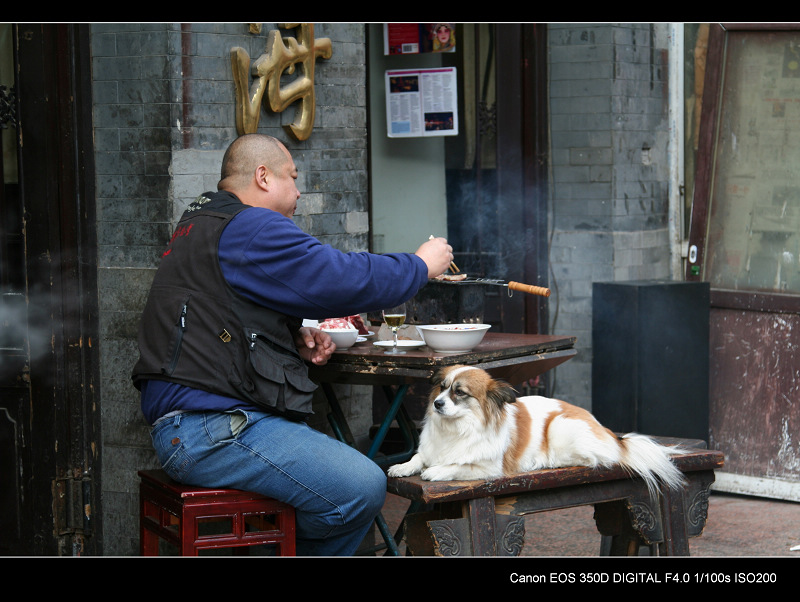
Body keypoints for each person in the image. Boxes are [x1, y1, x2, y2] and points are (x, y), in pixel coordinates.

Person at [131, 133, 453, 555]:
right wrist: (419, 265)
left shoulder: (202, 223)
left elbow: (215, 313)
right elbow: (335, 276)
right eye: (293, 177)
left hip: (189, 425)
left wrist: (287, 337)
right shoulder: (249, 225)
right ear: (263, 177)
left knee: (319, 500)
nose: (299, 191)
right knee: (360, 486)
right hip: (208, 429)